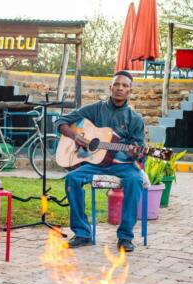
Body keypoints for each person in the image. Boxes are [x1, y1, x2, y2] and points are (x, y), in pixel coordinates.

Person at [55, 71, 145, 252]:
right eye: (117, 84)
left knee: (135, 180)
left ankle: (125, 237)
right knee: (72, 179)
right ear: (110, 88)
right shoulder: (95, 109)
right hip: (95, 164)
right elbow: (61, 121)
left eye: (125, 86)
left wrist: (136, 153)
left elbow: (140, 150)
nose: (120, 88)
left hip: (122, 166)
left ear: (130, 91)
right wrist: (76, 137)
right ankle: (82, 233)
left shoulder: (135, 119)